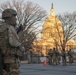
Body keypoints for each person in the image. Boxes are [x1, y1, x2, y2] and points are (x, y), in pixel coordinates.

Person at [0, 8, 25, 75]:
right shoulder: (9, 28)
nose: (15, 19)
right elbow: (14, 43)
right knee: (14, 72)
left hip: (2, 57)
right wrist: (21, 47)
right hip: (10, 57)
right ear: (9, 17)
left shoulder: (2, 27)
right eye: (14, 16)